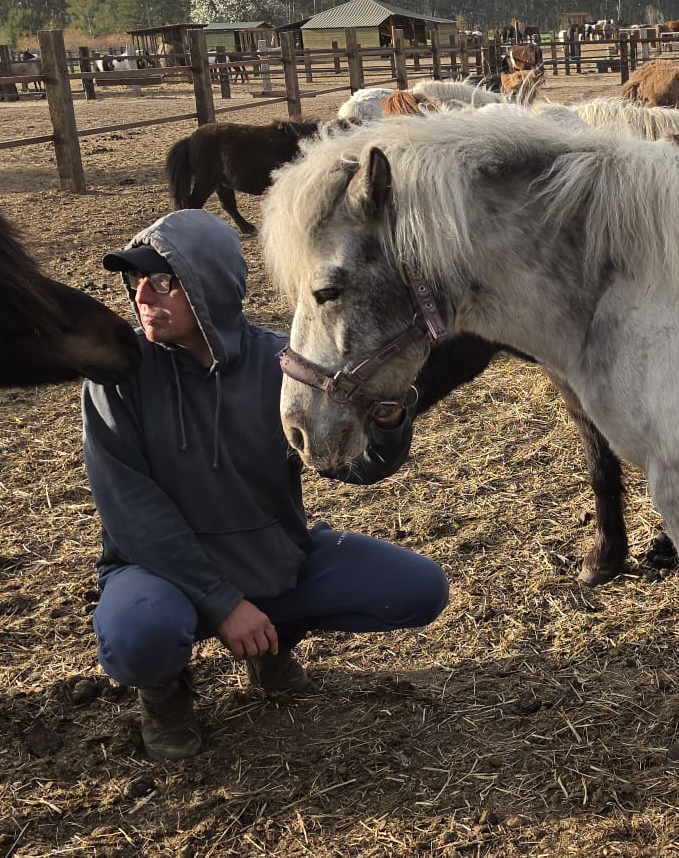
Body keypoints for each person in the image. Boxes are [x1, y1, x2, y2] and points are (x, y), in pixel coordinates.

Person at [81, 209, 448, 760]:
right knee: (139, 634)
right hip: (157, 573)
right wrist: (224, 603)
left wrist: (391, 424)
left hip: (265, 554)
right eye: (134, 281)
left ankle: (273, 640)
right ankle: (163, 694)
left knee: (418, 589)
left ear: (208, 285)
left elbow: (351, 466)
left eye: (162, 281)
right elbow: (130, 510)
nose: (142, 296)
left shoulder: (284, 364)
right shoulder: (118, 373)